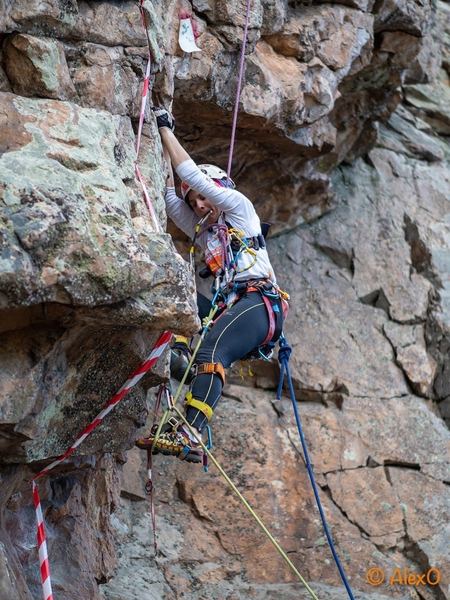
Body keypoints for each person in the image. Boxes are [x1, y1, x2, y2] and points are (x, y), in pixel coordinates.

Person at [135, 108, 288, 462]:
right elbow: (172, 203)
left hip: (259, 302)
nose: (200, 205)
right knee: (180, 301)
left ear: (219, 191)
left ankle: (191, 434)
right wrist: (150, 153)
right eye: (195, 202)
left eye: (204, 198)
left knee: (212, 353)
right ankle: (181, 355)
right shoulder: (207, 234)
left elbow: (189, 174)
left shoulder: (239, 207)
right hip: (238, 306)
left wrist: (163, 130)